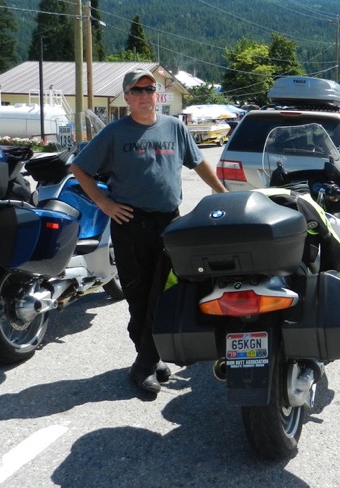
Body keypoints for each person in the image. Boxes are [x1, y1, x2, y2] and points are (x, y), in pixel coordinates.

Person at [70, 70, 227, 395]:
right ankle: (145, 364)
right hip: (131, 226)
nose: (144, 94)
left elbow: (198, 162)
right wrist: (104, 203)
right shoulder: (115, 133)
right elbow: (80, 168)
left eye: (149, 89)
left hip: (169, 223)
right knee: (140, 297)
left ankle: (148, 359)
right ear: (126, 97)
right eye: (136, 90)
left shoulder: (175, 127)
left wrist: (222, 192)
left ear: (157, 94)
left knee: (168, 293)